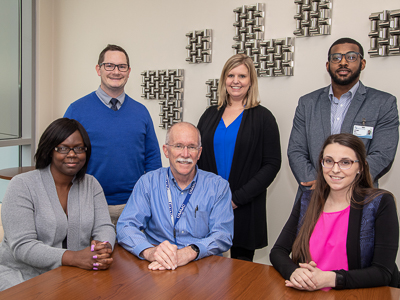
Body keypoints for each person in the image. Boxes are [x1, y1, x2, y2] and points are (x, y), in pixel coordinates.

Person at [270, 133, 399, 290]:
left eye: (346, 162)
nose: (335, 169)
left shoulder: (380, 203)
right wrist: (293, 272)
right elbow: (278, 251)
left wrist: (331, 279)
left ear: (361, 167)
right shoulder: (308, 200)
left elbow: (383, 272)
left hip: (357, 294)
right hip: (309, 293)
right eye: (329, 161)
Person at [0, 118, 116, 291]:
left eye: (79, 148)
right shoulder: (22, 185)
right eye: (63, 148)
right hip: (22, 276)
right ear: (50, 151)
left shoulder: (91, 184)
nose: (72, 154)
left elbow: (104, 226)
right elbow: (22, 245)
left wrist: (102, 248)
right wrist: (74, 257)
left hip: (72, 275)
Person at [288, 37, 399, 202]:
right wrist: (319, 183)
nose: (343, 62)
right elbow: (296, 151)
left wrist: (342, 182)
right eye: (336, 58)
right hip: (313, 195)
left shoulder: (383, 103)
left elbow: (382, 154)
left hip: (359, 197)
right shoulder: (307, 103)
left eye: (351, 57)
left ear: (362, 63)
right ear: (328, 66)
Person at [64, 44, 162, 225]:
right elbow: (63, 159)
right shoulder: (77, 110)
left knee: (131, 254)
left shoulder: (141, 112)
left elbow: (153, 160)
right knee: (93, 254)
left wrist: (151, 201)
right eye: (109, 65)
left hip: (134, 206)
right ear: (98, 69)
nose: (116, 71)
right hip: (89, 205)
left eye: (121, 66)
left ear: (129, 71)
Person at [197, 54, 281, 261]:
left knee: (240, 271)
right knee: (206, 268)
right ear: (223, 80)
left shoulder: (263, 117)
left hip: (244, 205)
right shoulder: (209, 115)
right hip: (210, 205)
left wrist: (236, 199)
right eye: (231, 75)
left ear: (251, 80)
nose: (236, 81)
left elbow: (272, 164)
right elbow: (196, 156)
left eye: (242, 76)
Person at [117, 122, 233, 270]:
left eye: (191, 147)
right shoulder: (148, 182)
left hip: (201, 266)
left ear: (199, 152)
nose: (185, 154)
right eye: (178, 146)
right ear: (166, 150)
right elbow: (125, 226)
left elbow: (223, 235)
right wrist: (149, 251)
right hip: (156, 265)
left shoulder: (218, 187)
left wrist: (190, 252)